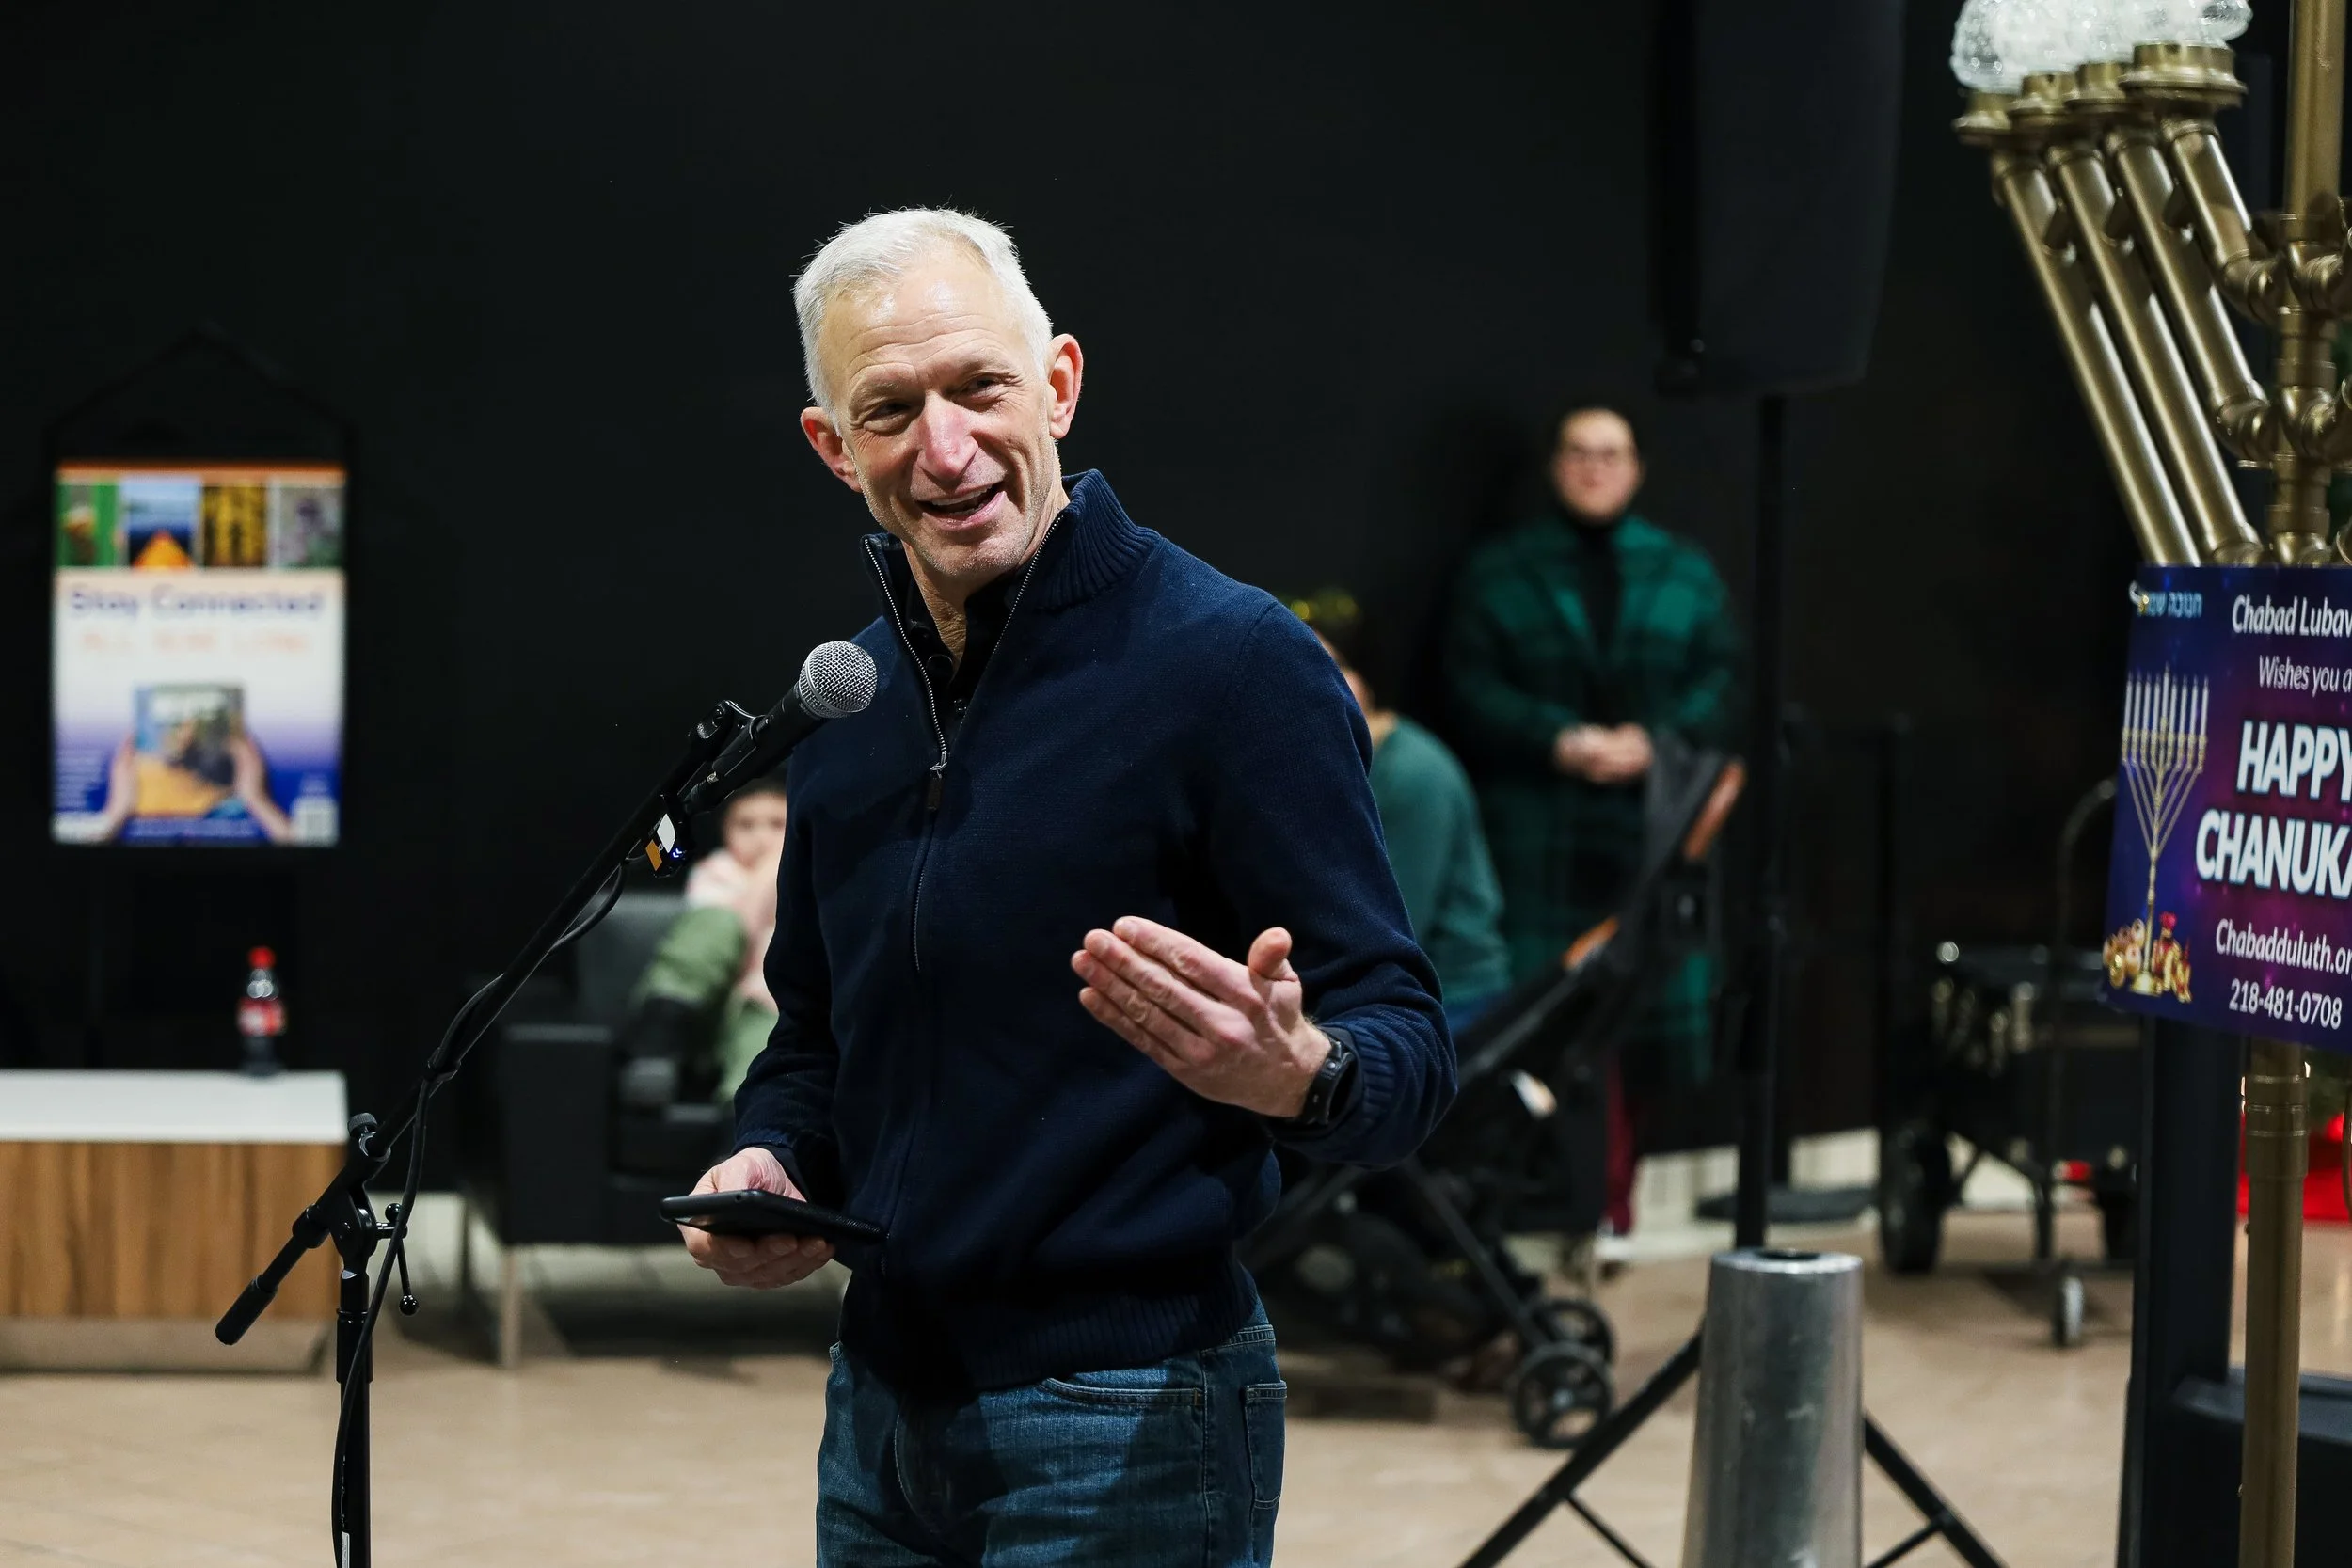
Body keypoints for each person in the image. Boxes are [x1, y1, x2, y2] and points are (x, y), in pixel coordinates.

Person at [677, 209, 1454, 1568]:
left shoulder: (1232, 664)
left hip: (1130, 1415)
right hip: (878, 1415)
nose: (945, 447)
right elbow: (811, 1040)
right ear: (832, 446)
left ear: (1060, 383)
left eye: (979, 386)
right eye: (890, 409)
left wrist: (1300, 1072)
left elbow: (1406, 1044)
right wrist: (773, 1156)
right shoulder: (846, 707)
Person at [1443, 402, 1737, 1241]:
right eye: (1578, 451)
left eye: (1612, 452)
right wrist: (1560, 741)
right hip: (1537, 833)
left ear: (1637, 466)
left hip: (1652, 827)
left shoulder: (1683, 571)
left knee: (1635, 1022)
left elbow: (1723, 679)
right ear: (1555, 464)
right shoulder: (1499, 571)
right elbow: (1471, 685)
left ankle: (1615, 1206)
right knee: (1538, 1021)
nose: (1595, 467)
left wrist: (1655, 741)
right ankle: (1537, 1206)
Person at [1289, 589, 1510, 1025]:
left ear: (1365, 677)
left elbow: (1401, 925)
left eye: (1335, 666)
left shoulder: (1414, 774)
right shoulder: (1323, 759)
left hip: (1448, 995)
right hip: (1367, 974)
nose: (1310, 681)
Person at [616, 777, 788, 1105]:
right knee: (717, 923)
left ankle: (743, 1134)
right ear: (726, 831)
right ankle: (659, 1035)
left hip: (762, 1017)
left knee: (770, 1020)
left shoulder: (813, 879)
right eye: (746, 825)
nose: (761, 837)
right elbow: (737, 937)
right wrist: (767, 876)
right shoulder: (717, 872)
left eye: (777, 824)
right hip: (703, 1012)